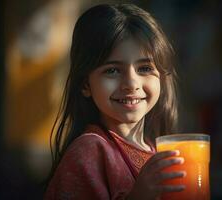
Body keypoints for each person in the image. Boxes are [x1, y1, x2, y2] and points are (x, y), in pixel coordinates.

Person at [45, 3, 186, 200]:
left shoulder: (156, 151)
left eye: (144, 68)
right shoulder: (88, 153)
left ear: (161, 78)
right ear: (86, 84)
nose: (131, 84)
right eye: (112, 70)